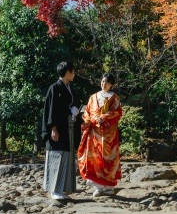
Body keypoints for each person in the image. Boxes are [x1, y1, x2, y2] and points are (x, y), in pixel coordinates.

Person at [78, 73, 122, 196]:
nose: (104, 84)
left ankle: (109, 187)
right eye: (103, 81)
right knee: (95, 159)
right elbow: (87, 112)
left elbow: (117, 112)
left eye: (107, 82)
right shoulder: (93, 97)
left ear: (112, 85)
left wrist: (104, 117)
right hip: (94, 132)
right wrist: (91, 119)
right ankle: (98, 186)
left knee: (108, 158)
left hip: (109, 134)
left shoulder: (115, 97)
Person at [41, 61, 80, 200]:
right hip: (58, 128)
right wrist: (53, 128)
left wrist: (75, 111)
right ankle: (54, 190)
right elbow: (51, 109)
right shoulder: (54, 88)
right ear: (67, 72)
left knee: (66, 157)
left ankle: (63, 189)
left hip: (69, 127)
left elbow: (70, 105)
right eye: (73, 71)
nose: (74, 74)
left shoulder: (70, 88)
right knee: (56, 157)